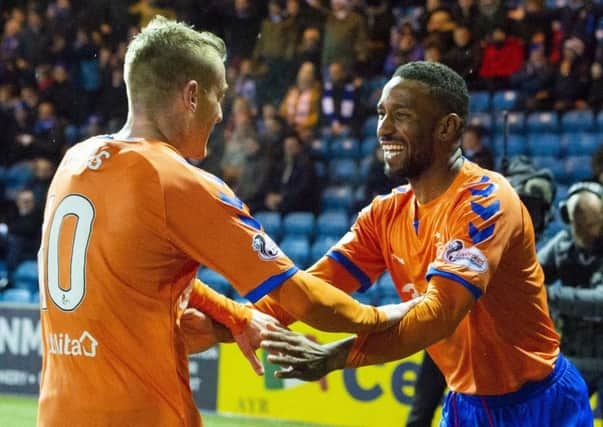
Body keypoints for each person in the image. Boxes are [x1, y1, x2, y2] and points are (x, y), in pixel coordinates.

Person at [36, 16, 413, 427]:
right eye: (219, 96)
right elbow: (301, 298)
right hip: (143, 414)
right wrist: (386, 317)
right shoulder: (174, 180)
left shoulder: (75, 161)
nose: (219, 115)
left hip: (57, 412)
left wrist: (239, 316)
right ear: (192, 95)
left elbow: (134, 269)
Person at [259, 61, 593, 426]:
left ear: (446, 127)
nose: (384, 129)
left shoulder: (485, 201)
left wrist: (337, 356)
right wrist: (231, 318)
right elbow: (313, 286)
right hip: (466, 405)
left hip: (541, 404)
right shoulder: (384, 214)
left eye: (401, 115)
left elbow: (438, 316)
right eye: (382, 114)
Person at [538, 182, 603, 402]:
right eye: (580, 224)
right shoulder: (564, 242)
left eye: (592, 223)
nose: (587, 231)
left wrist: (550, 296)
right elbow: (532, 276)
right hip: (572, 352)